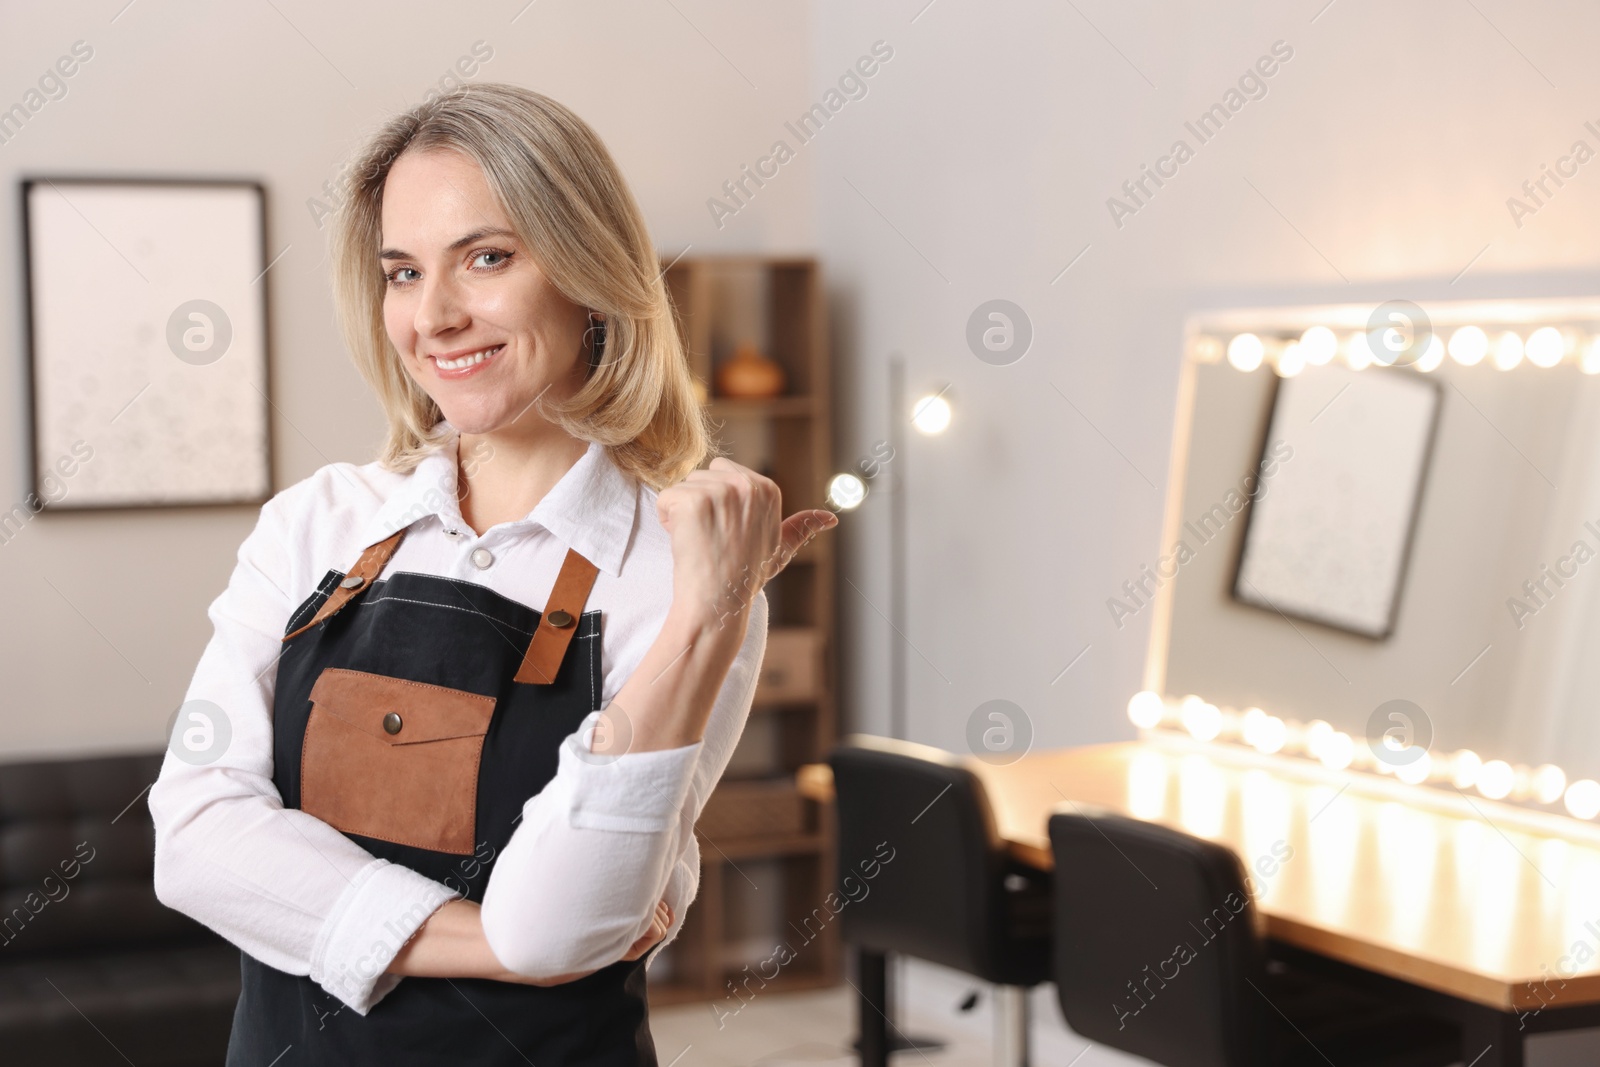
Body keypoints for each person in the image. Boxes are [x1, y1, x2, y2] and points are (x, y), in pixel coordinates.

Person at [148, 82, 835, 1065]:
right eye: (401, 271)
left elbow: (562, 919)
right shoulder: (318, 523)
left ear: (588, 267)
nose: (434, 315)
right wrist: (490, 944)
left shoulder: (680, 572)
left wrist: (705, 620)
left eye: (486, 257)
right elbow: (195, 837)